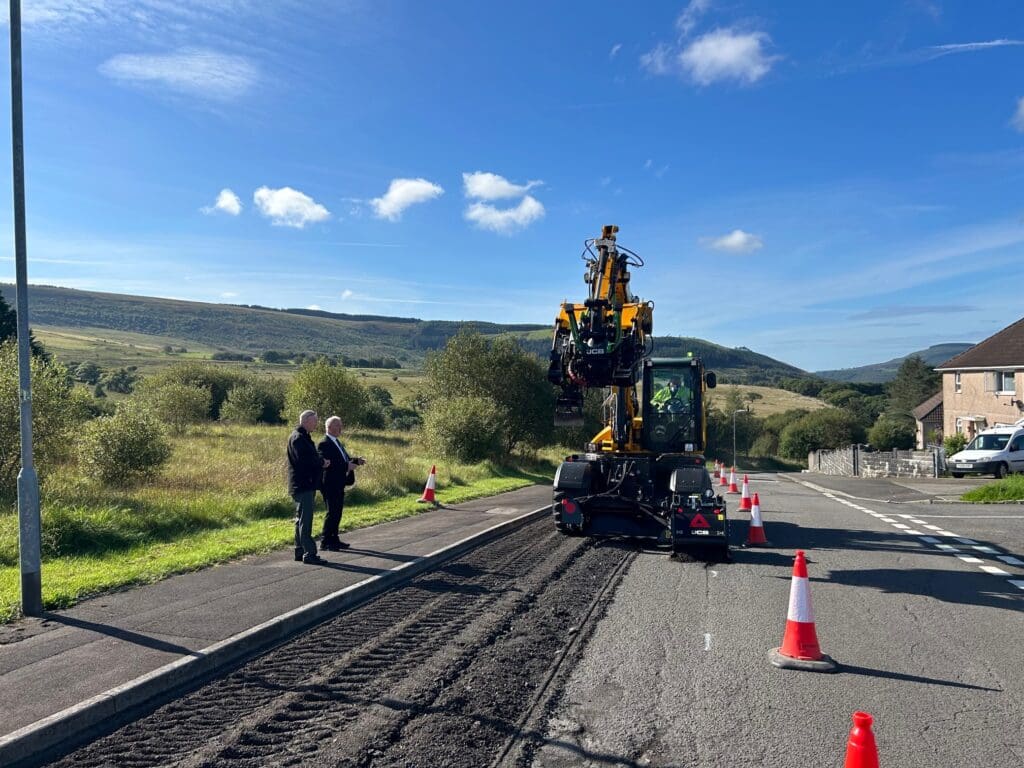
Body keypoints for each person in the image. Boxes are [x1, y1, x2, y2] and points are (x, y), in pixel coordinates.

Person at [287, 410, 330, 564]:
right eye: (314, 421)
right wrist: (321, 463)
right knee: (306, 520)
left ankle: (299, 551)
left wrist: (319, 460)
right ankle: (310, 554)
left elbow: (309, 457)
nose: (316, 424)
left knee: (300, 519)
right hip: (303, 484)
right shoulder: (298, 438)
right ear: (305, 421)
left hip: (302, 484)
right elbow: (304, 460)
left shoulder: (302, 436)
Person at [318, 416, 365, 551]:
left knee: (337, 512)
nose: (341, 428)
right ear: (330, 427)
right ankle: (325, 541)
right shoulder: (324, 443)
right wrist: (346, 466)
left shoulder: (337, 442)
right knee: (332, 512)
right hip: (330, 483)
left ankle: (334, 538)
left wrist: (355, 461)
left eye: (341, 425)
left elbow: (343, 459)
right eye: (338, 425)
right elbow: (329, 464)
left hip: (339, 483)